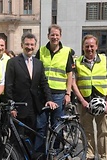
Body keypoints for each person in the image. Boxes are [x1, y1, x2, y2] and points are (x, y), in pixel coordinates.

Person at [5, 32, 57, 157]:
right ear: (22, 45)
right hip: (18, 107)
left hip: (34, 108)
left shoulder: (38, 63)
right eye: (27, 44)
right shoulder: (13, 62)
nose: (29, 47)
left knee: (31, 138)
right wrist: (11, 106)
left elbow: (44, 83)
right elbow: (9, 85)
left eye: (32, 45)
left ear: (35, 46)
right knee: (17, 140)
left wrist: (49, 99)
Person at [72, 34, 107, 160]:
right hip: (85, 102)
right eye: (87, 46)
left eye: (92, 46)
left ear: (96, 46)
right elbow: (74, 83)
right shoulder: (77, 62)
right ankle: (89, 155)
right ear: (83, 47)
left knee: (104, 132)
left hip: (102, 102)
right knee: (86, 131)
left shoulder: (105, 60)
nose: (89, 49)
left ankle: (104, 156)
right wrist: (82, 101)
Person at [34, 24, 74, 153]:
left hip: (59, 94)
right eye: (52, 34)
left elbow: (69, 74)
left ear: (60, 36)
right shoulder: (41, 51)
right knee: (41, 126)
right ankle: (40, 154)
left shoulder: (67, 51)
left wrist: (68, 93)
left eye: (57, 35)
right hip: (43, 94)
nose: (54, 37)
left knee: (57, 126)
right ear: (48, 36)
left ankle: (56, 152)